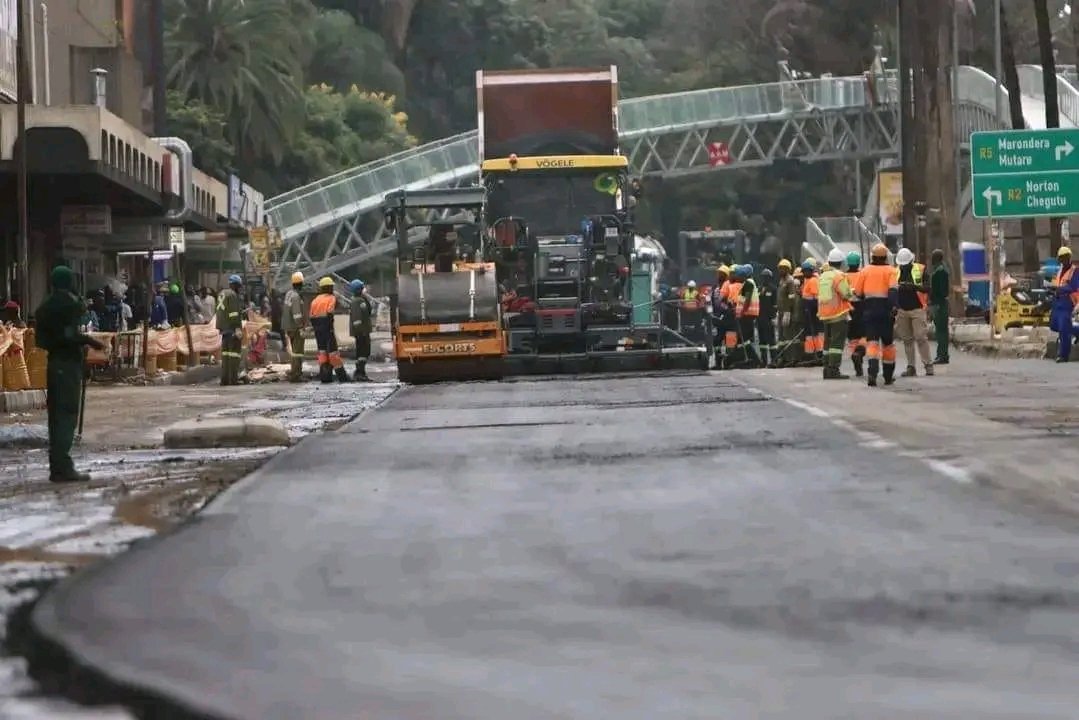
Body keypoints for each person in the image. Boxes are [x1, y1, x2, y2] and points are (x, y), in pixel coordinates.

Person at [35, 265, 106, 483]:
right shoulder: (69, 304)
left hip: (53, 362)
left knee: (55, 417)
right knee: (66, 415)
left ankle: (56, 466)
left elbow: (42, 341)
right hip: (68, 365)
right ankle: (63, 467)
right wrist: (90, 341)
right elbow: (71, 335)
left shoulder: (43, 308)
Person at [852, 243, 898, 387]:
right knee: (888, 344)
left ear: (872, 256)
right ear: (885, 257)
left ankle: (872, 373)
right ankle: (888, 376)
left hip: (869, 311)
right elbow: (893, 291)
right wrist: (894, 307)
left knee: (872, 343)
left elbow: (858, 293)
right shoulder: (891, 271)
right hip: (886, 311)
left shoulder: (865, 271)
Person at [894, 247, 934, 377]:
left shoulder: (921, 269)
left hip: (917, 308)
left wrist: (913, 287)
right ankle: (911, 367)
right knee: (907, 340)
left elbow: (928, 288)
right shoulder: (895, 272)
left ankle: (928, 365)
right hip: (902, 310)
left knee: (921, 337)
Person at [818, 249, 854, 379]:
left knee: (827, 344)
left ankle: (826, 369)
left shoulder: (823, 276)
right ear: (841, 262)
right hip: (838, 314)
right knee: (836, 345)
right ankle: (834, 370)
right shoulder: (839, 276)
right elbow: (846, 294)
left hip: (825, 314)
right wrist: (852, 291)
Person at [310, 276, 351, 383]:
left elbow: (311, 316)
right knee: (333, 352)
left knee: (322, 352)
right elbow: (329, 313)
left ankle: (325, 376)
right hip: (327, 327)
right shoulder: (331, 298)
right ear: (329, 287)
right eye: (331, 287)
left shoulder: (315, 300)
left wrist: (316, 328)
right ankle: (342, 377)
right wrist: (330, 328)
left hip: (317, 329)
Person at [1050, 246, 1079, 362]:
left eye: (1065, 257)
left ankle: (1063, 355)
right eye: (1061, 258)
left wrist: (1060, 289)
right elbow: (1057, 283)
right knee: (1055, 325)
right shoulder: (1059, 271)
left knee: (1063, 328)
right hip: (1058, 302)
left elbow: (1073, 286)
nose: (1064, 260)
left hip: (1068, 302)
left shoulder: (1075, 271)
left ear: (1069, 258)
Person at [216, 275, 244, 385]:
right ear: (235, 285)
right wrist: (237, 328)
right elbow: (233, 314)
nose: (239, 288)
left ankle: (225, 379)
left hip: (224, 329)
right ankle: (233, 379)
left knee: (226, 356)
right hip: (232, 329)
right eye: (239, 286)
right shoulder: (232, 295)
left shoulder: (222, 293)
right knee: (234, 355)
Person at [734, 264, 762, 368]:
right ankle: (747, 358)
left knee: (745, 339)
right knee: (744, 340)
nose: (738, 277)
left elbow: (747, 300)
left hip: (747, 314)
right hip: (748, 314)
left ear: (743, 275)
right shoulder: (749, 283)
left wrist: (741, 312)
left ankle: (755, 360)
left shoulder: (748, 284)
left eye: (739, 275)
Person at [282, 272, 307, 382]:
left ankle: (294, 372)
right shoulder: (296, 296)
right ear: (301, 283)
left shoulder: (289, 294)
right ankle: (296, 374)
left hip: (288, 326)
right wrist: (301, 326)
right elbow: (297, 314)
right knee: (298, 351)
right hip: (295, 327)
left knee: (294, 351)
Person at [845, 251, 867, 377]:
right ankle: (859, 353)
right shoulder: (862, 275)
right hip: (861, 307)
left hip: (848, 308)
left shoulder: (843, 276)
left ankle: (856, 362)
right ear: (858, 262)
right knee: (864, 335)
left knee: (852, 337)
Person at [349, 279, 373, 381]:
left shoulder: (361, 300)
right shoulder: (356, 301)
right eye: (362, 288)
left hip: (364, 331)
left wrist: (365, 297)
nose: (364, 289)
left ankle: (360, 372)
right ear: (359, 289)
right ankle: (359, 373)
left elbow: (369, 310)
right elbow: (357, 319)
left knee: (365, 352)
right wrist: (360, 331)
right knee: (362, 352)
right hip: (361, 332)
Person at [929, 249, 950, 365]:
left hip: (939, 304)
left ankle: (942, 355)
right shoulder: (941, 269)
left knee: (941, 331)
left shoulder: (939, 271)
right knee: (942, 330)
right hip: (940, 303)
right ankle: (942, 354)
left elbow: (941, 291)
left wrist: (933, 301)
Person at [800, 260, 823, 366]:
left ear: (811, 271)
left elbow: (816, 297)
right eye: (804, 271)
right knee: (809, 333)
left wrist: (811, 308)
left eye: (806, 271)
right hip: (807, 308)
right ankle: (810, 353)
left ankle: (817, 353)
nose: (805, 273)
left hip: (812, 310)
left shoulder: (813, 280)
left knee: (813, 332)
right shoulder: (807, 280)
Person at [757, 268, 778, 368]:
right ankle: (763, 360)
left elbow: (775, 305)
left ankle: (774, 360)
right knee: (762, 341)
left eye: (767, 277)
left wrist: (774, 317)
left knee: (771, 340)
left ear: (770, 278)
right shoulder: (759, 289)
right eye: (763, 277)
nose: (765, 279)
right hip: (760, 318)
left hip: (769, 318)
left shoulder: (773, 289)